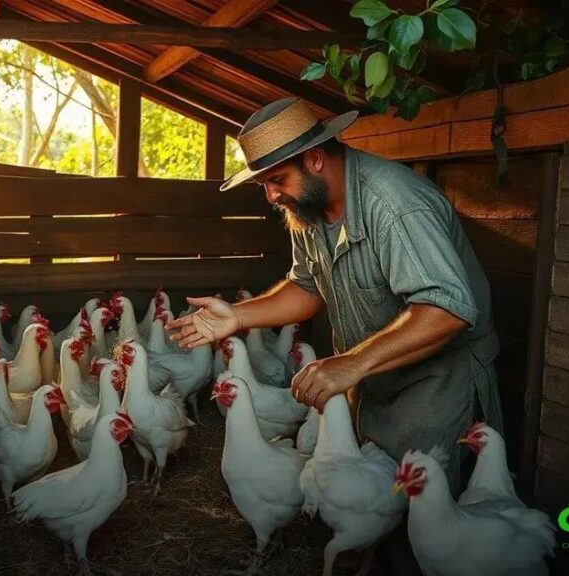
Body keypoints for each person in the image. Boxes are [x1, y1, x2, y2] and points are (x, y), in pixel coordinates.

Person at [166, 97, 503, 574]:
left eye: (276, 180)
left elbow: (446, 310)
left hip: (437, 383)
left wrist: (352, 363)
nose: (271, 196)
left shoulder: (395, 205)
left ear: (316, 159)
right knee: (380, 509)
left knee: (428, 525)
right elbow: (307, 286)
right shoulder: (308, 206)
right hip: (378, 376)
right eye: (263, 184)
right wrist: (237, 317)